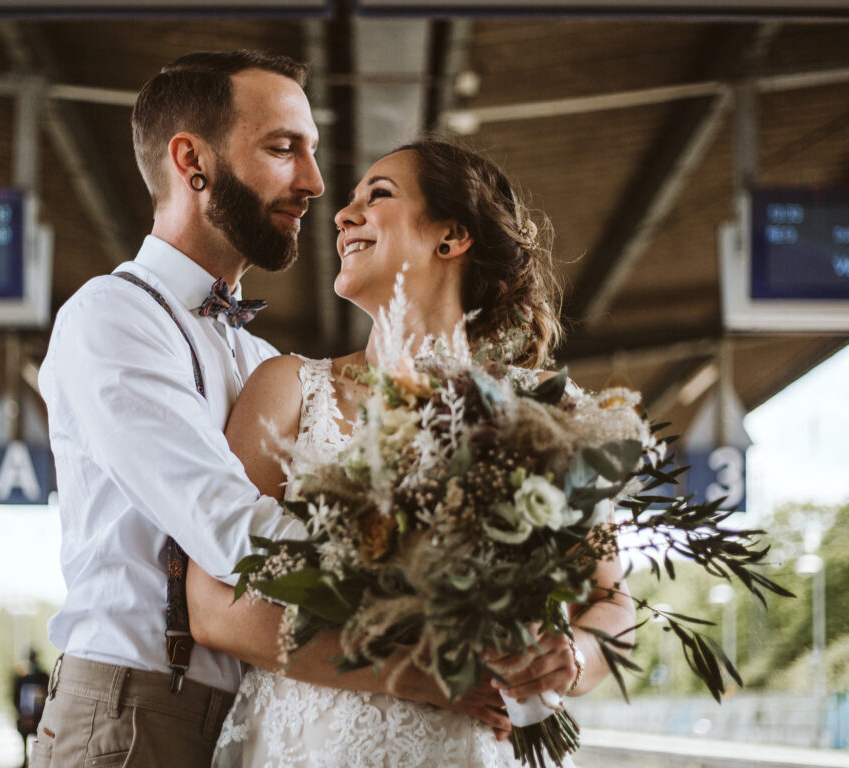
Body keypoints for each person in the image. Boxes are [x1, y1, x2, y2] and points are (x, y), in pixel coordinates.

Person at [32, 53, 510, 768]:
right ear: (193, 161)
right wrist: (435, 594)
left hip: (248, 714)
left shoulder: (259, 360)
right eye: (285, 149)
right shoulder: (112, 318)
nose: (314, 183)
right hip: (133, 713)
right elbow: (230, 527)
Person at [187, 139, 637, 767]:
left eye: (377, 196)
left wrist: (572, 661)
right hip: (305, 747)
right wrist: (427, 677)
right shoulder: (289, 389)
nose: (343, 216)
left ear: (451, 237)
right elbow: (215, 610)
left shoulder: (550, 415)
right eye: (348, 204)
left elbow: (611, 601)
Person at [13, 649, 50, 768]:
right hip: (26, 717)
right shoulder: (22, 679)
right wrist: (24, 715)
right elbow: (15, 698)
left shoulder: (43, 677)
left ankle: (38, 759)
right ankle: (26, 758)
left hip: (40, 717)